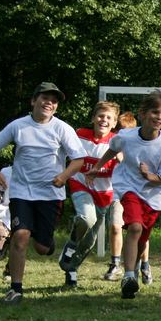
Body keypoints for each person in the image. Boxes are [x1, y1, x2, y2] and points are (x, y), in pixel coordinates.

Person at [0, 82, 86, 304]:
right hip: (21, 192)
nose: (49, 102)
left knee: (42, 248)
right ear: (33, 101)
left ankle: (53, 244)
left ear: (56, 107)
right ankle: (16, 289)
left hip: (51, 194)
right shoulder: (18, 126)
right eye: (44, 97)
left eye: (54, 100)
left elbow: (78, 159)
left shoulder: (62, 129)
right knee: (20, 236)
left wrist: (64, 176)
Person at [86, 90, 161, 299]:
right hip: (128, 188)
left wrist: (148, 175)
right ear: (143, 114)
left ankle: (132, 274)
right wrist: (98, 167)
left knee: (142, 237)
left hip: (153, 197)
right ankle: (127, 275)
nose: (159, 118)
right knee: (134, 228)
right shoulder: (125, 136)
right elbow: (112, 150)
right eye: (155, 112)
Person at [57, 101, 120, 288]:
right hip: (81, 185)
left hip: (105, 194)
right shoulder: (79, 135)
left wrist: (121, 157)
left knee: (90, 241)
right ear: (93, 118)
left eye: (109, 117)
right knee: (86, 218)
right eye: (101, 116)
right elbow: (63, 151)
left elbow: (124, 160)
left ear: (114, 123)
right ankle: (71, 243)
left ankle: (71, 270)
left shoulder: (117, 141)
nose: (104, 120)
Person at [103, 110, 143, 281]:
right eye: (120, 131)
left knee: (138, 229)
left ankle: (143, 265)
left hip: (136, 192)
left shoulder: (139, 147)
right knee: (115, 226)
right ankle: (115, 264)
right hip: (117, 191)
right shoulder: (112, 144)